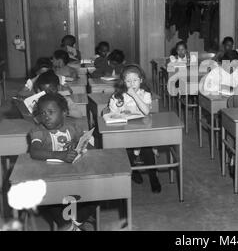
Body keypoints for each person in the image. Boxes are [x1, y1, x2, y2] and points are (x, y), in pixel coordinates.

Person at [29, 93, 95, 230]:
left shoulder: (74, 127)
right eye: (42, 113)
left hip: (75, 178)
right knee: (47, 202)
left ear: (64, 113)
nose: (46, 116)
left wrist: (78, 145)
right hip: (50, 180)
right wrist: (60, 155)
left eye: (51, 112)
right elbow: (34, 151)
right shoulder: (38, 131)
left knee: (100, 192)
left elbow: (90, 146)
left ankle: (74, 222)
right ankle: (65, 223)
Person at [108, 64, 161, 193]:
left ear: (141, 80)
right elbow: (113, 115)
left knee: (147, 151)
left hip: (143, 130)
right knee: (128, 151)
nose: (132, 84)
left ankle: (153, 177)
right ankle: (133, 172)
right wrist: (119, 112)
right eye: (128, 81)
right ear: (123, 82)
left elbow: (146, 111)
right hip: (125, 131)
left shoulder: (145, 94)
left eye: (135, 80)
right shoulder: (118, 96)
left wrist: (134, 95)